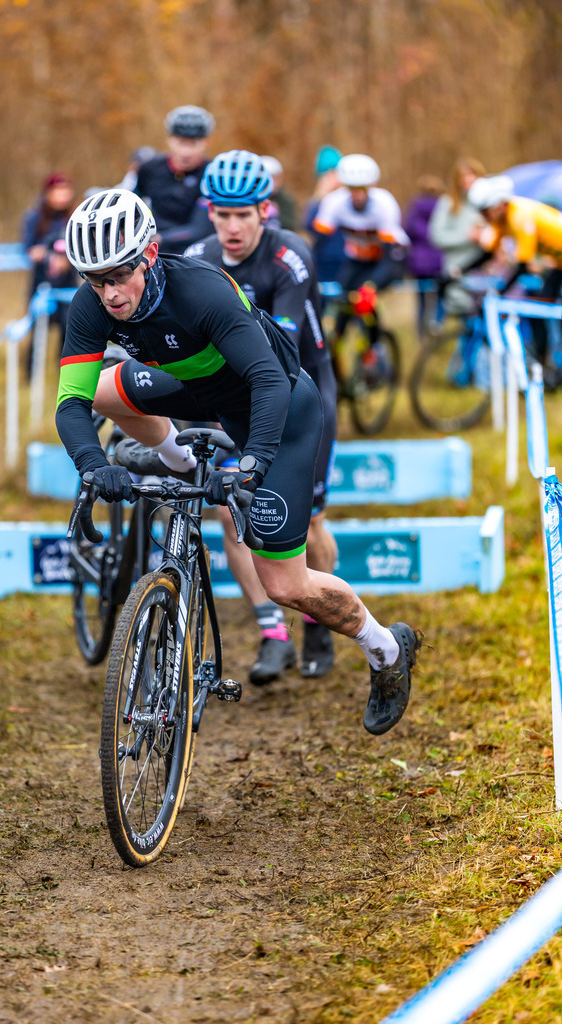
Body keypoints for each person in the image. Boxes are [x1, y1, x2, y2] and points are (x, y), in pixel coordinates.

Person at [55, 188, 423, 736]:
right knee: (106, 393)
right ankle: (177, 459)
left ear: (149, 256)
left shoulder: (201, 289)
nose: (108, 294)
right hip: (194, 389)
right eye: (95, 279)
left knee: (286, 586)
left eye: (118, 276)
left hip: (275, 409)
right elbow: (71, 402)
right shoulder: (91, 306)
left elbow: (269, 380)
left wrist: (251, 464)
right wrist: (91, 463)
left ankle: (387, 649)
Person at [180, 149, 338, 683]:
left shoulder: (290, 258)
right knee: (230, 512)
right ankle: (272, 630)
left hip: (300, 393)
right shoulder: (199, 257)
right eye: (221, 215)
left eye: (242, 214)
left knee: (308, 521)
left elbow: (279, 358)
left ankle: (319, 617)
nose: (231, 227)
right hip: (234, 394)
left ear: (264, 211)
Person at [465, 174, 562, 372]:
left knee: (546, 308)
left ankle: (549, 365)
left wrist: (501, 291)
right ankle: (545, 368)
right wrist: (458, 271)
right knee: (540, 306)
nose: (483, 218)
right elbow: (488, 253)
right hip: (559, 264)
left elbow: (522, 265)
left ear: (499, 206)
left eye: (485, 212)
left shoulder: (520, 215)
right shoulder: (503, 220)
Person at [312, 154, 409, 347]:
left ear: (370, 187)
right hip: (357, 259)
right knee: (341, 303)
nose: (357, 195)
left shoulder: (384, 204)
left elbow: (390, 258)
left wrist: (372, 285)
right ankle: (336, 348)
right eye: (352, 189)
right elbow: (319, 245)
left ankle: (373, 350)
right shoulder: (334, 202)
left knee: (365, 298)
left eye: (362, 189)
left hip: (389, 259)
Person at [134, 105, 215, 254]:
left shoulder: (211, 173)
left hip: (195, 250)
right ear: (169, 139)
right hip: (152, 247)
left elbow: (200, 229)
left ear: (206, 142)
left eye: (193, 144)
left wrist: (159, 238)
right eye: (181, 142)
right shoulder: (149, 169)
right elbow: (133, 204)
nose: (186, 152)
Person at [21, 172, 79, 375]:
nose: (62, 196)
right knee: (37, 332)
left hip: (67, 286)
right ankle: (31, 376)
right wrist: (47, 255)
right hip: (41, 284)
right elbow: (29, 248)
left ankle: (65, 374)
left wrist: (68, 259)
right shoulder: (34, 218)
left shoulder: (75, 218)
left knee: (68, 332)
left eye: (66, 191)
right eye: (58, 191)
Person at [428, 157, 486, 316]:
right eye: (463, 177)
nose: (468, 181)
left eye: (472, 175)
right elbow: (436, 235)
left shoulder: (487, 202)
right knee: (465, 310)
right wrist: (468, 236)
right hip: (457, 269)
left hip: (484, 268)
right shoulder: (448, 203)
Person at [403, 175, 446, 336]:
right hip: (438, 261)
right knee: (439, 294)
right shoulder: (444, 207)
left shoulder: (414, 209)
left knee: (421, 300)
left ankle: (421, 332)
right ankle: (437, 324)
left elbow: (407, 232)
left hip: (419, 262)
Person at [303, 146, 345, 285]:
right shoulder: (317, 201)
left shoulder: (347, 200)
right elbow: (310, 227)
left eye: (335, 173)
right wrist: (321, 196)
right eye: (327, 175)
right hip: (323, 261)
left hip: (346, 261)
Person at [260, 155, 297, 231]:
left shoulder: (286, 200)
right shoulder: (251, 198)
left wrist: (277, 213)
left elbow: (291, 225)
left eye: (275, 178)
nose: (272, 183)